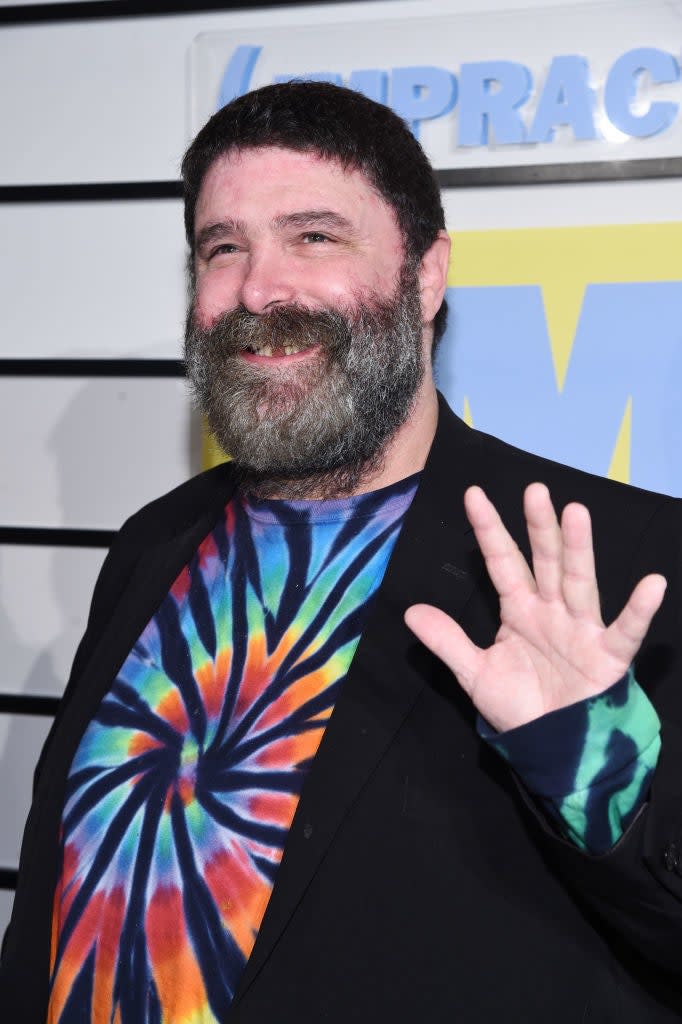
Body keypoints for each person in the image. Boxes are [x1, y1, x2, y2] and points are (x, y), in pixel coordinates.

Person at [2, 81, 682, 1023]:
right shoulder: (152, 543)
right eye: (223, 247)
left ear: (427, 273)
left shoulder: (617, 560)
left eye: (314, 237)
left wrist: (590, 762)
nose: (258, 288)